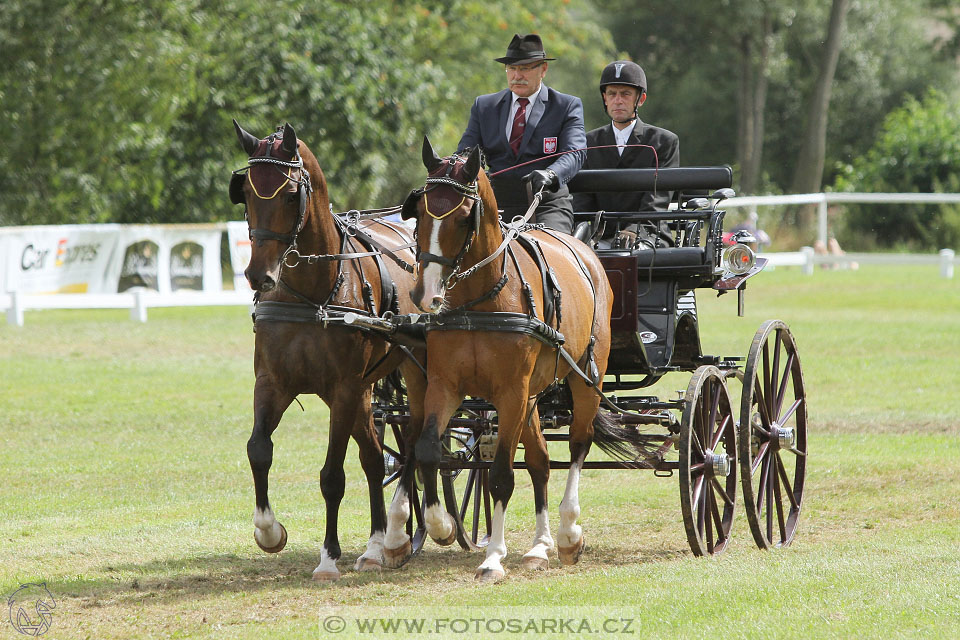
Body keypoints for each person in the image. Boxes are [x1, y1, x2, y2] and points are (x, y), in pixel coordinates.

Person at [457, 33, 586, 234]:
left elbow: (574, 153)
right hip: (494, 204)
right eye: (512, 68)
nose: (517, 76)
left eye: (525, 68)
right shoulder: (484, 106)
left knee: (548, 254)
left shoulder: (566, 106)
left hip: (546, 203)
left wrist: (551, 174)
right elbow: (466, 151)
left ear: (543, 69)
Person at [572, 60, 679, 249]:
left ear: (641, 99)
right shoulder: (588, 143)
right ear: (605, 98)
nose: (618, 100)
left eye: (625, 94)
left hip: (649, 234)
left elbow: (656, 199)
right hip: (600, 237)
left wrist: (634, 230)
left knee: (630, 252)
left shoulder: (663, 142)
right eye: (612, 94)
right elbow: (582, 201)